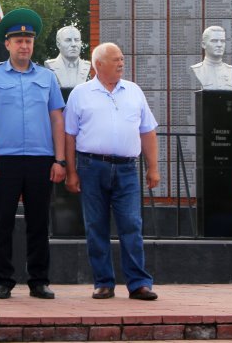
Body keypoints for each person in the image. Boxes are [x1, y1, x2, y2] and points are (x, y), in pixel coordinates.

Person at [0, 8, 66, 300]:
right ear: (7, 44)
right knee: (2, 223)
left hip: (41, 159)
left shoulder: (47, 77)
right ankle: (3, 279)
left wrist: (60, 159)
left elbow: (57, 119)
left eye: (28, 41)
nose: (24, 46)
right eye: (18, 41)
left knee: (39, 223)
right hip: (4, 159)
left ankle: (39, 280)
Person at [63, 42, 160, 301]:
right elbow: (69, 135)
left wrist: (153, 168)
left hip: (127, 168)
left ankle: (139, 284)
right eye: (115, 59)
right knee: (96, 226)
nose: (121, 63)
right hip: (91, 167)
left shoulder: (134, 91)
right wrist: (71, 172)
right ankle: (103, 282)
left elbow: (147, 131)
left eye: (122, 58)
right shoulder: (80, 94)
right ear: (98, 65)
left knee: (131, 225)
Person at [190, 25, 232, 90]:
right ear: (204, 45)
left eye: (222, 41)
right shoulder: (196, 70)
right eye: (214, 41)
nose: (219, 45)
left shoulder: (231, 70)